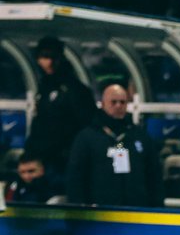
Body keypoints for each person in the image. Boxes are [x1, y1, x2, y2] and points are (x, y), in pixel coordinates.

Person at [66, 84, 162, 209]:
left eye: (122, 102)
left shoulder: (140, 136)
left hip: (136, 211)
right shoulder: (87, 138)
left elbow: (154, 175)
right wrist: (79, 208)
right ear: (103, 104)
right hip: (99, 211)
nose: (118, 106)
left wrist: (157, 207)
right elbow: (75, 177)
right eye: (113, 102)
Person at [25, 34, 96, 173]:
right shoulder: (44, 87)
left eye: (53, 57)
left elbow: (86, 124)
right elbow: (39, 123)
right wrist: (30, 153)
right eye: (45, 57)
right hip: (43, 160)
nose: (49, 62)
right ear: (38, 59)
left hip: (66, 161)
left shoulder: (75, 89)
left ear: (61, 58)